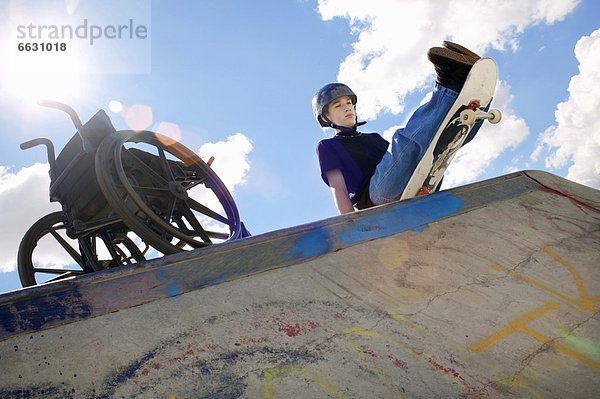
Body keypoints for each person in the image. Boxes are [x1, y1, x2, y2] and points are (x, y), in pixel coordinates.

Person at [313, 41, 483, 214]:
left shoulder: (373, 138)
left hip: (415, 183)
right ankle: (449, 82)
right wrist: (352, 225)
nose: (348, 107)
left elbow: (402, 161)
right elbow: (338, 188)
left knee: (444, 139)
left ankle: (465, 98)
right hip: (377, 198)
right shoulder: (327, 146)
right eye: (338, 105)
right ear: (325, 118)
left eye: (349, 103)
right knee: (404, 142)